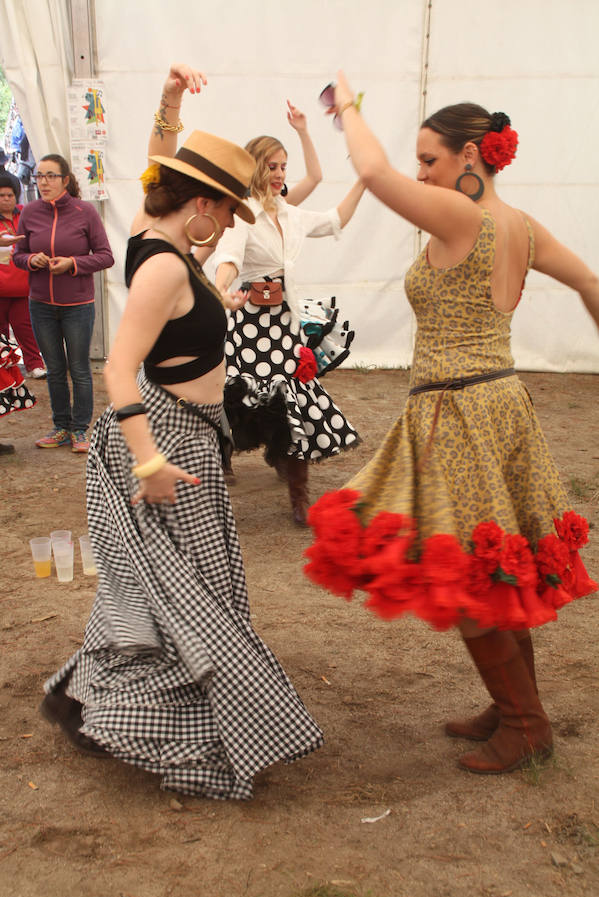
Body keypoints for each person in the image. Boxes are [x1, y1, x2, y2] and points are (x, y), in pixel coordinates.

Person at [40, 67, 323, 800]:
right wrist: (148, 462)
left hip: (190, 436)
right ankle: (135, 715)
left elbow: (158, 163)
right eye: (225, 210)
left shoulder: (154, 240)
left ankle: (88, 701)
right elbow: (119, 370)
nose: (230, 223)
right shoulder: (163, 265)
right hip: (165, 443)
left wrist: (169, 103)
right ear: (198, 206)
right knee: (186, 588)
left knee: (173, 586)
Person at [306, 72, 599, 775]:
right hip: (497, 401)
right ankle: (511, 708)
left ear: (471, 156)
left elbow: (371, 171)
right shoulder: (523, 227)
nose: (419, 172)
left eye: (429, 159)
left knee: (466, 570)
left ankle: (526, 725)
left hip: (458, 409)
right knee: (493, 565)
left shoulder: (461, 217)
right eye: (418, 161)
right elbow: (591, 284)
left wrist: (344, 103)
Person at [213, 132, 365, 525]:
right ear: (255, 168)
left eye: (284, 167)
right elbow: (228, 258)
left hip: (284, 325)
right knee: (237, 397)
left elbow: (335, 219)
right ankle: (221, 462)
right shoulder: (243, 212)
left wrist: (365, 181)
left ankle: (299, 497)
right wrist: (220, 288)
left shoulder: (289, 213)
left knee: (294, 400)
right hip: (248, 324)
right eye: (272, 166)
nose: (280, 174)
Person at [13, 154, 114, 452]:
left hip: (78, 305)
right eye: (39, 176)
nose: (43, 182)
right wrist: (32, 259)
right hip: (40, 304)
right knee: (54, 369)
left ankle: (81, 430)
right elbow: (19, 253)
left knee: (79, 368)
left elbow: (106, 256)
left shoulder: (86, 212)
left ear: (66, 180)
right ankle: (61, 427)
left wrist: (72, 263)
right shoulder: (29, 212)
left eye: (50, 176)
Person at [0, 176, 46, 378]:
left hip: (22, 287)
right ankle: (5, 371)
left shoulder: (26, 215)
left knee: (26, 329)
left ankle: (34, 364)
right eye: (1, 195)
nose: (6, 199)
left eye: (9, 194)